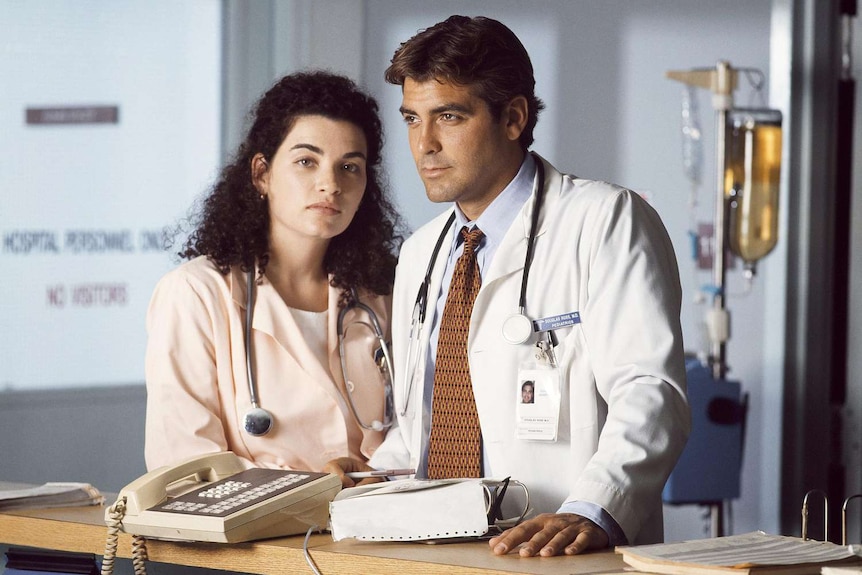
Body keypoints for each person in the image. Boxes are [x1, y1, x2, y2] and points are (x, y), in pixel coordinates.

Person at [326, 15, 689, 558]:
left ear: (514, 117)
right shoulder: (422, 254)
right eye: (412, 119)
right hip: (432, 551)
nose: (424, 144)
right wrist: (375, 475)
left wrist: (593, 508)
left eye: (448, 116)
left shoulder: (604, 220)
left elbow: (650, 393)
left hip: (554, 550)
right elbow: (423, 422)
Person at [145, 71, 402, 473]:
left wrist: (374, 475)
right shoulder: (195, 293)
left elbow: (415, 433)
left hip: (372, 526)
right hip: (258, 533)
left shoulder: (383, 293)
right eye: (306, 161)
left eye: (349, 167)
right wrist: (311, 489)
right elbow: (183, 465)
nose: (330, 184)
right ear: (262, 174)